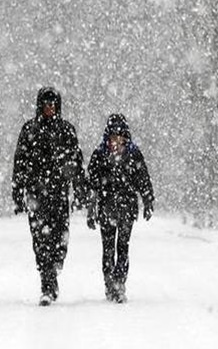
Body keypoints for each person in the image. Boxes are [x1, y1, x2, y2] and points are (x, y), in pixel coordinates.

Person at [12, 87, 89, 306]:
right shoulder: (29, 130)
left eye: (53, 105)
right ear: (39, 106)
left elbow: (76, 162)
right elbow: (20, 163)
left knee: (59, 238)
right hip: (36, 195)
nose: (49, 108)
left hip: (58, 194)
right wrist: (19, 193)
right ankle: (46, 282)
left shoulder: (66, 131)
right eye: (46, 104)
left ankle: (54, 268)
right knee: (40, 240)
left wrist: (80, 190)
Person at [87, 113, 154, 303]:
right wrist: (91, 210)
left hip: (126, 209)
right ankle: (110, 284)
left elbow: (143, 179)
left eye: (120, 136)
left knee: (122, 248)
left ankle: (119, 283)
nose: (117, 141)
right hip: (106, 209)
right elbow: (92, 184)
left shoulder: (133, 154)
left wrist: (148, 200)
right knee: (108, 249)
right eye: (113, 136)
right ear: (107, 137)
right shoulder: (100, 155)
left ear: (126, 136)